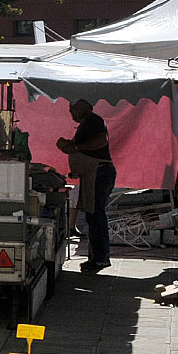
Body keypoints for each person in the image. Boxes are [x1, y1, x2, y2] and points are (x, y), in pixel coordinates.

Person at [56, 99, 115, 273]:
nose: (71, 113)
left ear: (84, 108)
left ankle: (100, 259)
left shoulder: (93, 120)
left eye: (73, 109)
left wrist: (75, 147)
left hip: (99, 173)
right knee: (93, 215)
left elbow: (101, 141)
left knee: (96, 215)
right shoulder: (87, 123)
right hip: (92, 174)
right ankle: (96, 258)